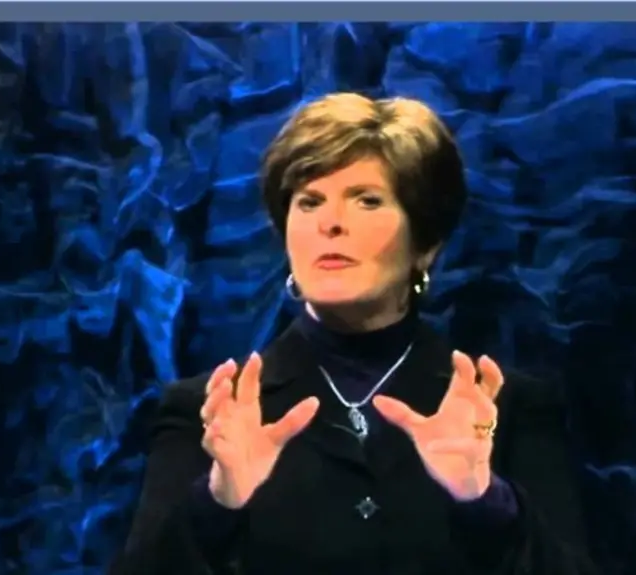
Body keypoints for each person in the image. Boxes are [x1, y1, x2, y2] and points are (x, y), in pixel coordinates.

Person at [110, 93, 595, 575]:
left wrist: (485, 499)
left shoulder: (506, 411)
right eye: (309, 202)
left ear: (425, 243)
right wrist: (217, 502)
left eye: (367, 200)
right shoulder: (211, 414)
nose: (331, 223)